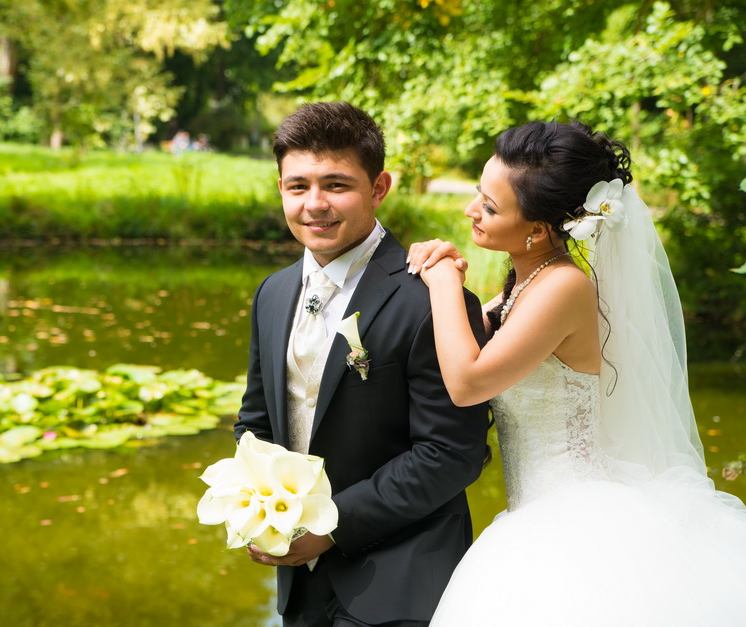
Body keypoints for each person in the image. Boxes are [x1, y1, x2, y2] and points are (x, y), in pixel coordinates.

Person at [406, 120, 746, 625]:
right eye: (479, 194)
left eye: (490, 207)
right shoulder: (527, 286)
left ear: (539, 229)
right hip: (533, 513)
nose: (470, 211)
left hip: (570, 519)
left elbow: (468, 382)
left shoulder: (564, 287)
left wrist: (440, 284)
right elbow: (472, 344)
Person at [234, 101, 491, 626]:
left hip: (402, 580)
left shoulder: (432, 298)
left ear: (379, 188)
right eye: (297, 186)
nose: (314, 204)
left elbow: (452, 453)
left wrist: (328, 528)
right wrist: (256, 509)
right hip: (300, 586)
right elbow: (256, 423)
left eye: (336, 185)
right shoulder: (273, 292)